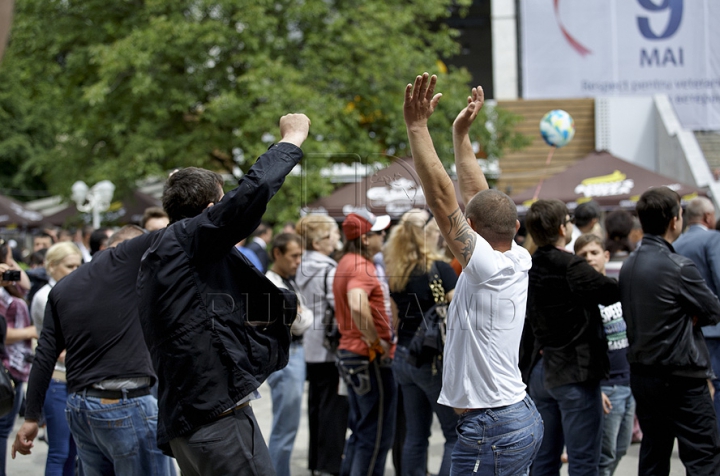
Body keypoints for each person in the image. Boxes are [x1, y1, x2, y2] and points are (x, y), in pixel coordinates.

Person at [136, 114, 309, 476]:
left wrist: (283, 309)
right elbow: (253, 192)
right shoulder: (188, 241)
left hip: (192, 421)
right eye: (221, 202)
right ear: (212, 211)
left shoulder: (163, 256)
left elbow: (215, 311)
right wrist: (291, 140)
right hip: (217, 421)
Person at [403, 73, 543, 475]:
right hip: (512, 417)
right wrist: (460, 135)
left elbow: (444, 197)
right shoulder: (515, 257)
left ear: (473, 228)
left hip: (493, 426)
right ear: (515, 228)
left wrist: (417, 127)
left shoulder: (483, 265)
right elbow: (477, 197)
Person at [12, 225, 175, 475]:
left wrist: (31, 418)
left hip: (82, 407)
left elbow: (44, 356)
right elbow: (45, 355)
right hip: (123, 403)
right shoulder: (127, 271)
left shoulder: (64, 287)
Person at [621, 187, 720, 475]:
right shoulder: (678, 266)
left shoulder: (629, 264)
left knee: (654, 453)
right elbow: (713, 310)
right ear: (674, 220)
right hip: (681, 375)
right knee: (703, 456)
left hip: (643, 373)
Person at [524, 196, 619, 476]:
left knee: (544, 460)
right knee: (583, 461)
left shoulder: (529, 265)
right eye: (568, 221)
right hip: (572, 371)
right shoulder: (569, 265)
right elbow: (610, 291)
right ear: (563, 229)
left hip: (540, 370)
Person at [384, 208, 459, 476]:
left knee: (415, 435)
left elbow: (394, 320)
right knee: (454, 434)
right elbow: (460, 314)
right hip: (431, 359)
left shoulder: (397, 272)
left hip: (403, 356)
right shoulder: (440, 270)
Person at [333, 209, 394, 476]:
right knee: (375, 436)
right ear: (366, 239)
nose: (384, 236)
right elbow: (358, 304)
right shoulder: (360, 264)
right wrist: (377, 343)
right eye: (380, 233)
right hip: (366, 356)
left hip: (353, 353)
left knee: (361, 431)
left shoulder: (346, 260)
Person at [574, 235, 634, 476]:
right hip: (604, 387)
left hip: (627, 383)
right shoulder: (579, 297)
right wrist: (594, 389)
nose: (589, 258)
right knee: (603, 457)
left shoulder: (614, 288)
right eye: (583, 255)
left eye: (594, 253)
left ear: (606, 256)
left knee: (620, 449)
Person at [294, 214, 348, 475]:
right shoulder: (328, 268)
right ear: (318, 242)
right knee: (333, 410)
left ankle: (317, 463)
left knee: (317, 407)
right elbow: (338, 308)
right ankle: (329, 465)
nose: (337, 238)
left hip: (311, 345)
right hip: (329, 348)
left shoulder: (302, 265)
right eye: (332, 234)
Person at [30, 242, 82, 476]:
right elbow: (50, 346)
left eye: (79, 265)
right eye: (69, 266)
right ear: (51, 266)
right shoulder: (45, 296)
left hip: (74, 377)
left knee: (73, 450)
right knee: (60, 451)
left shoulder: (72, 289)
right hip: (57, 379)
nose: (76, 270)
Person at [264, 232, 313, 476]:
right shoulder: (272, 283)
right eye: (294, 256)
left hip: (292, 354)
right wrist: (306, 314)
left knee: (287, 427)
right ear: (277, 254)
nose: (298, 262)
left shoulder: (285, 281)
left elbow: (302, 318)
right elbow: (298, 322)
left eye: (300, 256)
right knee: (285, 428)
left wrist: (305, 314)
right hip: (287, 356)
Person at [672, 196, 720, 435]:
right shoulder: (712, 239)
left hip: (686, 330)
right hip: (714, 327)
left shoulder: (675, 244)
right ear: (708, 217)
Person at [0, 240, 37, 476]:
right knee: (2, 431)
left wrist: (9, 263)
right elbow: (3, 333)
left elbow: (25, 284)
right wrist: (30, 332)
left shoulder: (8, 287)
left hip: (14, 369)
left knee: (3, 431)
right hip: (6, 369)